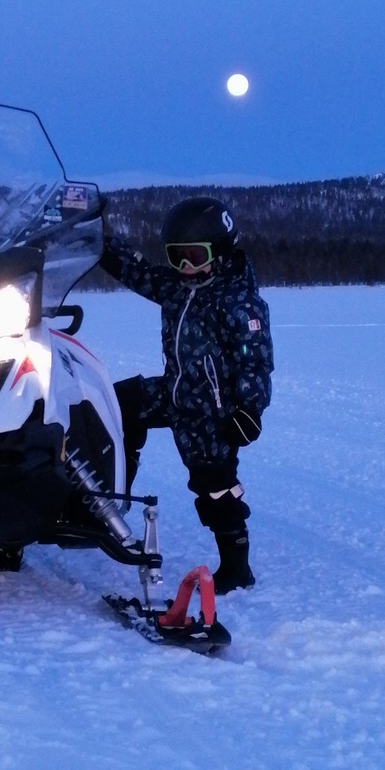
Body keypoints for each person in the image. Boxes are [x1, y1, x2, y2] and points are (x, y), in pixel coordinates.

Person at [100, 196, 273, 594]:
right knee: (117, 403)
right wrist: (99, 242)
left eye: (195, 256)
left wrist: (249, 409)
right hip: (175, 393)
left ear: (223, 252)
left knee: (214, 485)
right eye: (177, 257)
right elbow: (136, 272)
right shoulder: (179, 288)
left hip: (213, 413)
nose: (186, 268)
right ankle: (112, 490)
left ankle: (236, 567)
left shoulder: (239, 302)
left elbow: (256, 362)